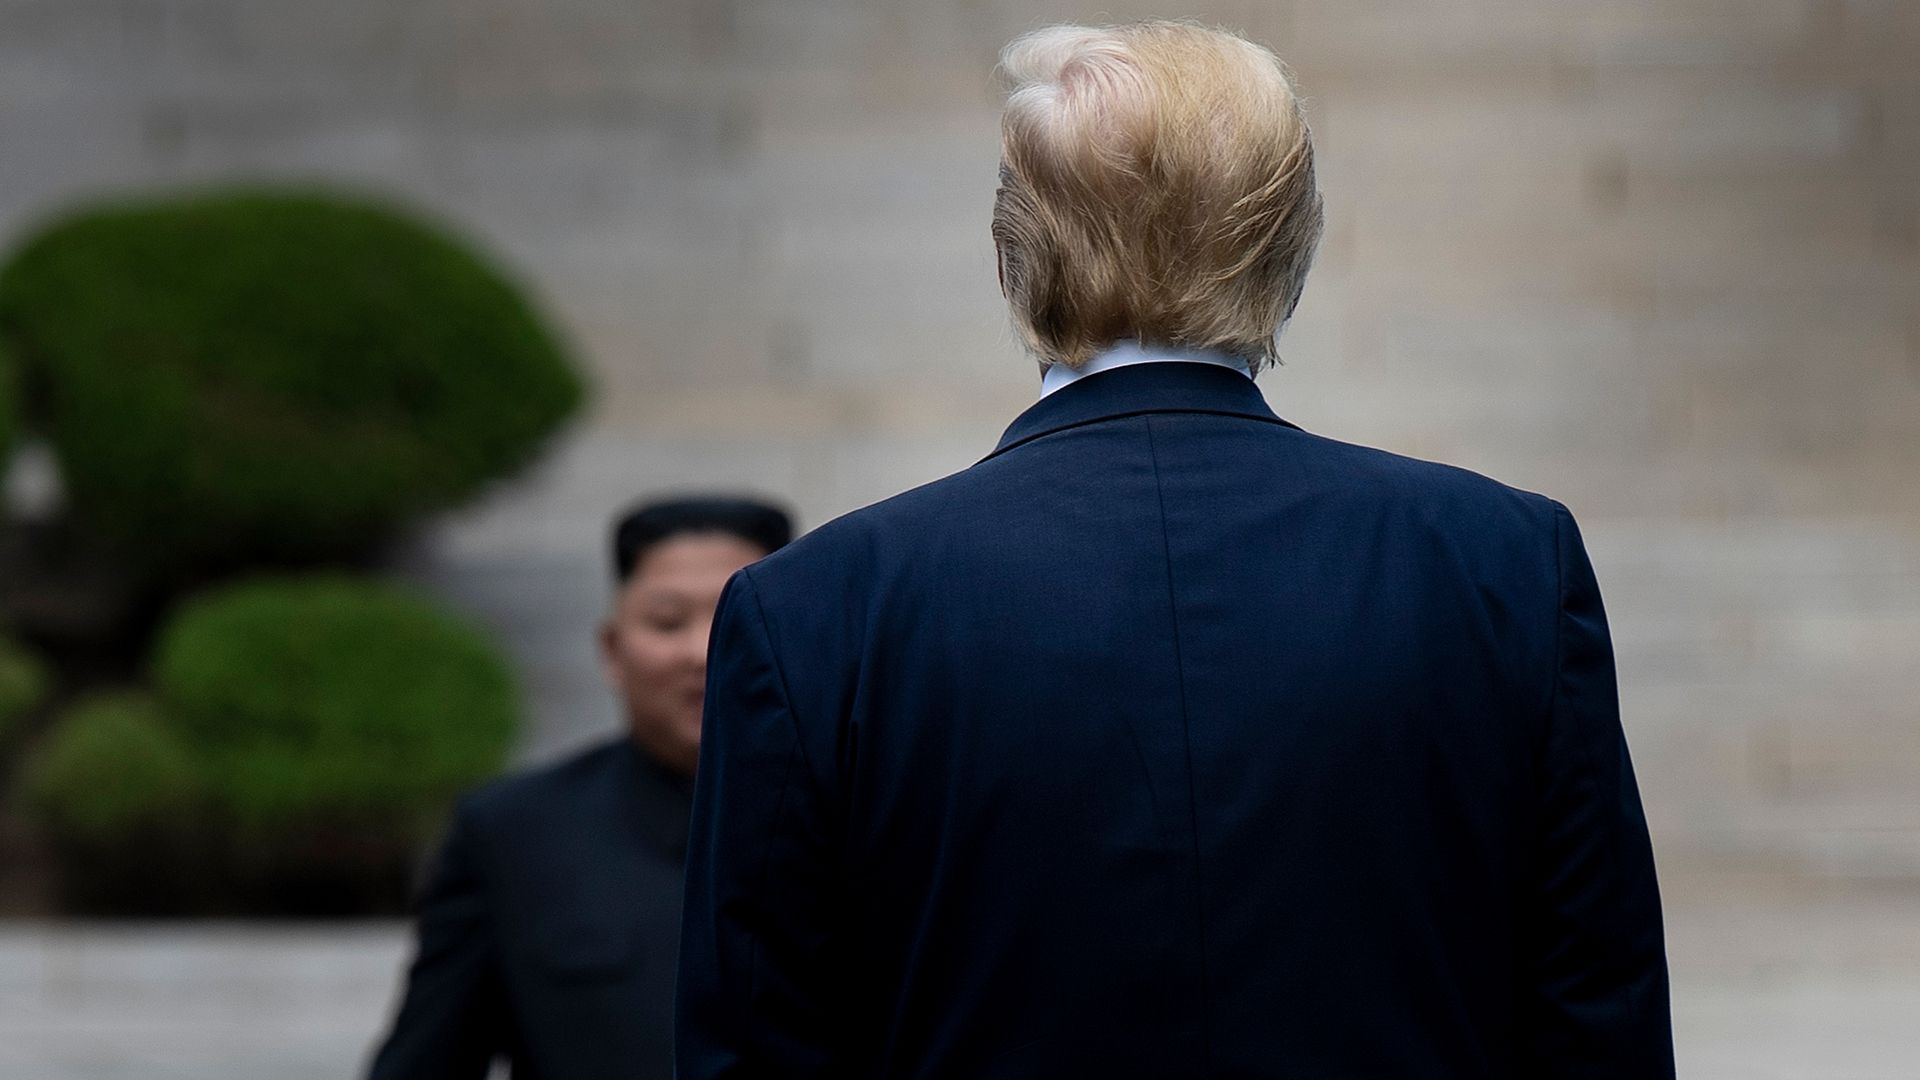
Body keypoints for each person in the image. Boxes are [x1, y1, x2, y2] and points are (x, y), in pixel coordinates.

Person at [676, 20, 1673, 1080]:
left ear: (1013, 251)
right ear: (1292, 246)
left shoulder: (817, 609)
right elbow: (1594, 1019)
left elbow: (756, 1045)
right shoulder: (1502, 563)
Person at [367, 496, 793, 1080]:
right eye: (669, 622)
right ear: (613, 650)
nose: (703, 652)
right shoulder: (514, 834)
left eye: (735, 619)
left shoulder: (874, 820)